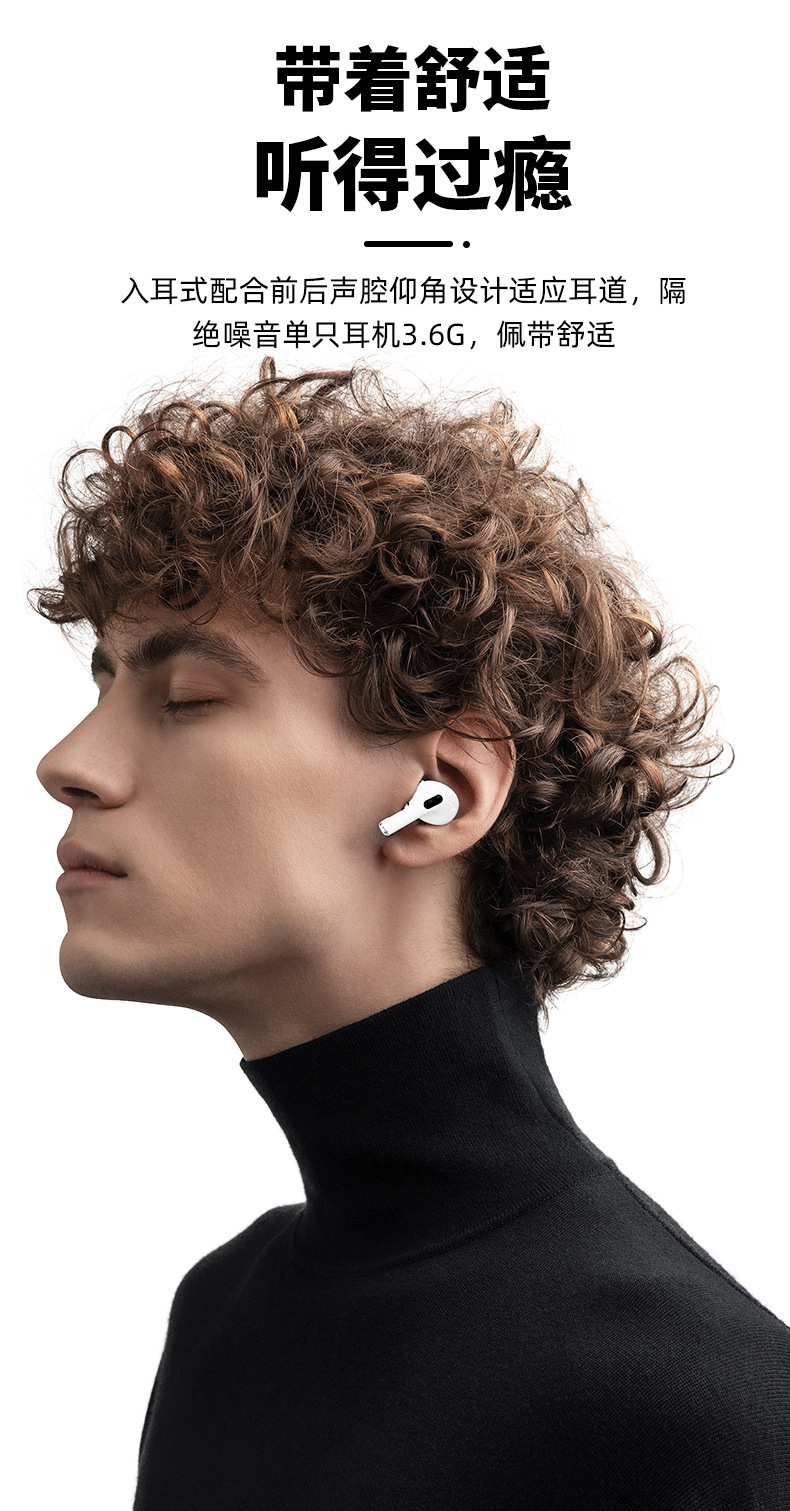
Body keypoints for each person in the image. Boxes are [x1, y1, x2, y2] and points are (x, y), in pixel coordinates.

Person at [34, 362, 790, 1509]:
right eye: (99, 688)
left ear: (441, 794)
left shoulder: (698, 1406)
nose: (68, 761)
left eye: (184, 697)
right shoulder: (227, 1315)